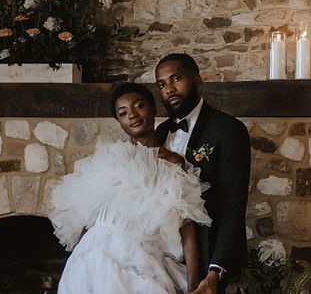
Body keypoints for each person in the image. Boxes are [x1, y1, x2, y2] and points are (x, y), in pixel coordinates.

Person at [49, 82, 211, 294]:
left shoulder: (172, 162)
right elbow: (90, 220)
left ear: (153, 108)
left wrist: (193, 283)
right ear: (119, 122)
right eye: (123, 113)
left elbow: (187, 225)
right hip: (94, 259)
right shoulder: (110, 158)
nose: (132, 115)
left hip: (143, 260)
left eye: (138, 106)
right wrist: (80, 259)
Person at [154, 53, 251, 294]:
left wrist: (215, 271)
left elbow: (233, 205)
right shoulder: (158, 133)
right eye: (162, 84)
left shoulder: (229, 130)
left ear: (197, 80)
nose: (170, 89)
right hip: (162, 256)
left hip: (208, 257)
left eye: (176, 78)